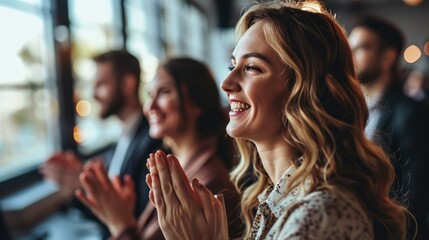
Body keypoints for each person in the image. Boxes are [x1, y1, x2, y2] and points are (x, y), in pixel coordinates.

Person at [144, 1, 408, 240]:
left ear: (305, 91)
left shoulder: (320, 215)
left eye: (252, 68)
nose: (226, 84)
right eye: (232, 66)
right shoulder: (279, 199)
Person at [75, 57, 242, 239]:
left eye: (164, 92)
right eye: (149, 95)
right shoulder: (177, 166)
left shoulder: (207, 185)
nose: (151, 106)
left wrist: (120, 224)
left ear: (197, 102)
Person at [40, 50, 161, 223]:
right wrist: (84, 181)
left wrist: (82, 187)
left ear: (128, 84)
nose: (94, 94)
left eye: (101, 84)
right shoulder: (124, 136)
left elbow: (135, 219)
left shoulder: (151, 142)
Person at [349, 16, 429, 239]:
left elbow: (417, 193)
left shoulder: (412, 113)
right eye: (350, 47)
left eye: (361, 48)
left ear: (387, 57)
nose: (351, 56)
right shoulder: (352, 110)